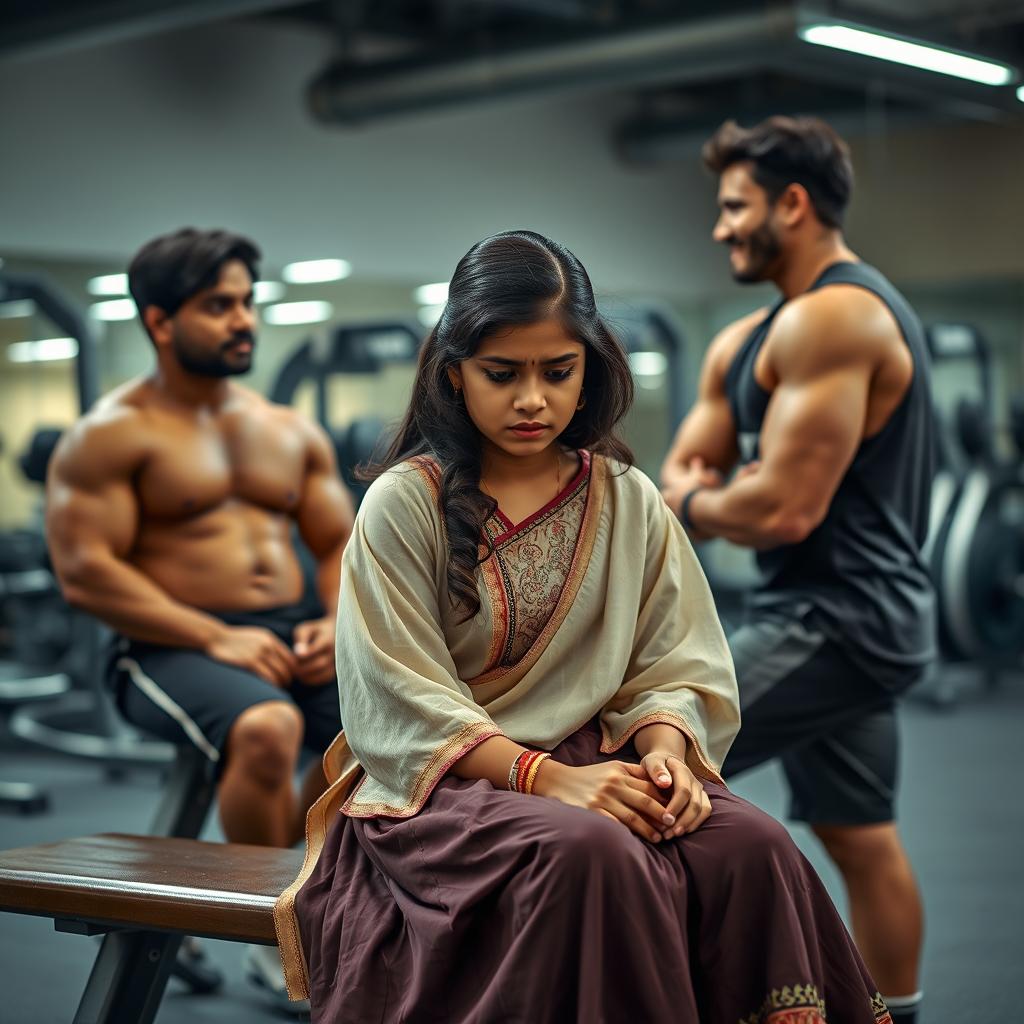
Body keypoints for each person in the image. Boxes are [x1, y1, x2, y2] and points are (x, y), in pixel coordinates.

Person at [274, 229, 893, 1024]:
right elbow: (397, 697)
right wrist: (551, 781)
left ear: (588, 371)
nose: (533, 399)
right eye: (503, 374)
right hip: (445, 790)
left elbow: (677, 661)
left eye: (558, 372)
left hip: (602, 759)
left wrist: (668, 761)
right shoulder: (405, 502)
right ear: (454, 373)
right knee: (594, 852)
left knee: (755, 845)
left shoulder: (628, 498)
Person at [660, 118, 932, 1024]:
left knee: (646, 766)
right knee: (860, 836)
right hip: (825, 612)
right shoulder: (744, 342)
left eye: (735, 208)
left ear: (793, 203)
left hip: (840, 617)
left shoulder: (839, 317)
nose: (720, 227)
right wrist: (716, 492)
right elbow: (679, 477)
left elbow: (781, 509)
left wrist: (710, 497)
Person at [46, 227, 353, 1007]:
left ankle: (285, 877)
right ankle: (269, 932)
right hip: (167, 644)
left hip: (291, 631)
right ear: (159, 321)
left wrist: (337, 619)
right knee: (266, 730)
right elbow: (86, 571)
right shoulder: (111, 435)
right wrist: (216, 634)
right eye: (219, 306)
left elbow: (338, 544)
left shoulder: (287, 429)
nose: (243, 320)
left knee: (386, 730)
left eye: (247, 302)